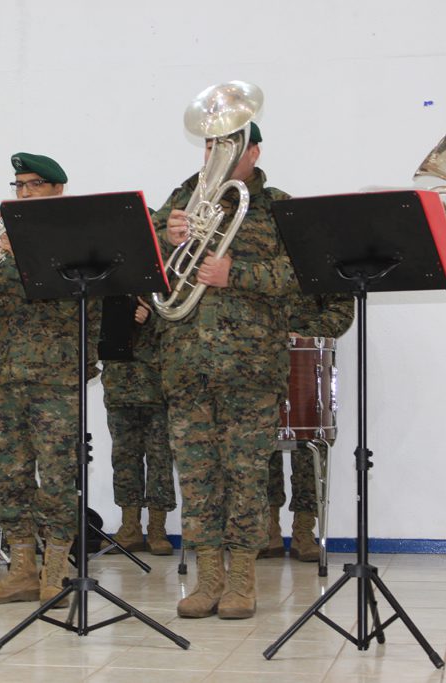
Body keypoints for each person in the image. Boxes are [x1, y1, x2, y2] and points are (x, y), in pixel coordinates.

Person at [154, 121, 295, 619]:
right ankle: (209, 577)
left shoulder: (278, 206)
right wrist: (165, 237)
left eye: (227, 145)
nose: (214, 153)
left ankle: (242, 581)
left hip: (250, 366)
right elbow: (143, 264)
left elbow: (300, 274)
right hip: (186, 363)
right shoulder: (181, 199)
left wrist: (237, 274)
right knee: (197, 478)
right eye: (210, 144)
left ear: (253, 152)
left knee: (245, 476)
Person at [0, 153, 100, 608]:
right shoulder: (4, 246)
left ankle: (55, 573)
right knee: (9, 476)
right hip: (6, 377)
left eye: (34, 184)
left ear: (58, 190)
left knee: (58, 477)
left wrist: (25, 252)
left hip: (56, 378)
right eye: (19, 185)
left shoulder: (77, 242)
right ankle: (22, 571)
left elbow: (75, 301)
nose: (24, 193)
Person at [261, 293, 353, 562]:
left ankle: (304, 531)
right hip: (259, 356)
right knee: (260, 445)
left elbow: (341, 307)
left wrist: (305, 334)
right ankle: (267, 529)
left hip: (308, 357)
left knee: (310, 443)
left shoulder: (317, 264)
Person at [101, 296, 176, 556]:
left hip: (157, 388)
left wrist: (151, 318)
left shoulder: (163, 290)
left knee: (160, 460)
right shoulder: (109, 287)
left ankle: (157, 529)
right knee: (124, 460)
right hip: (118, 387)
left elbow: (180, 329)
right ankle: (130, 528)